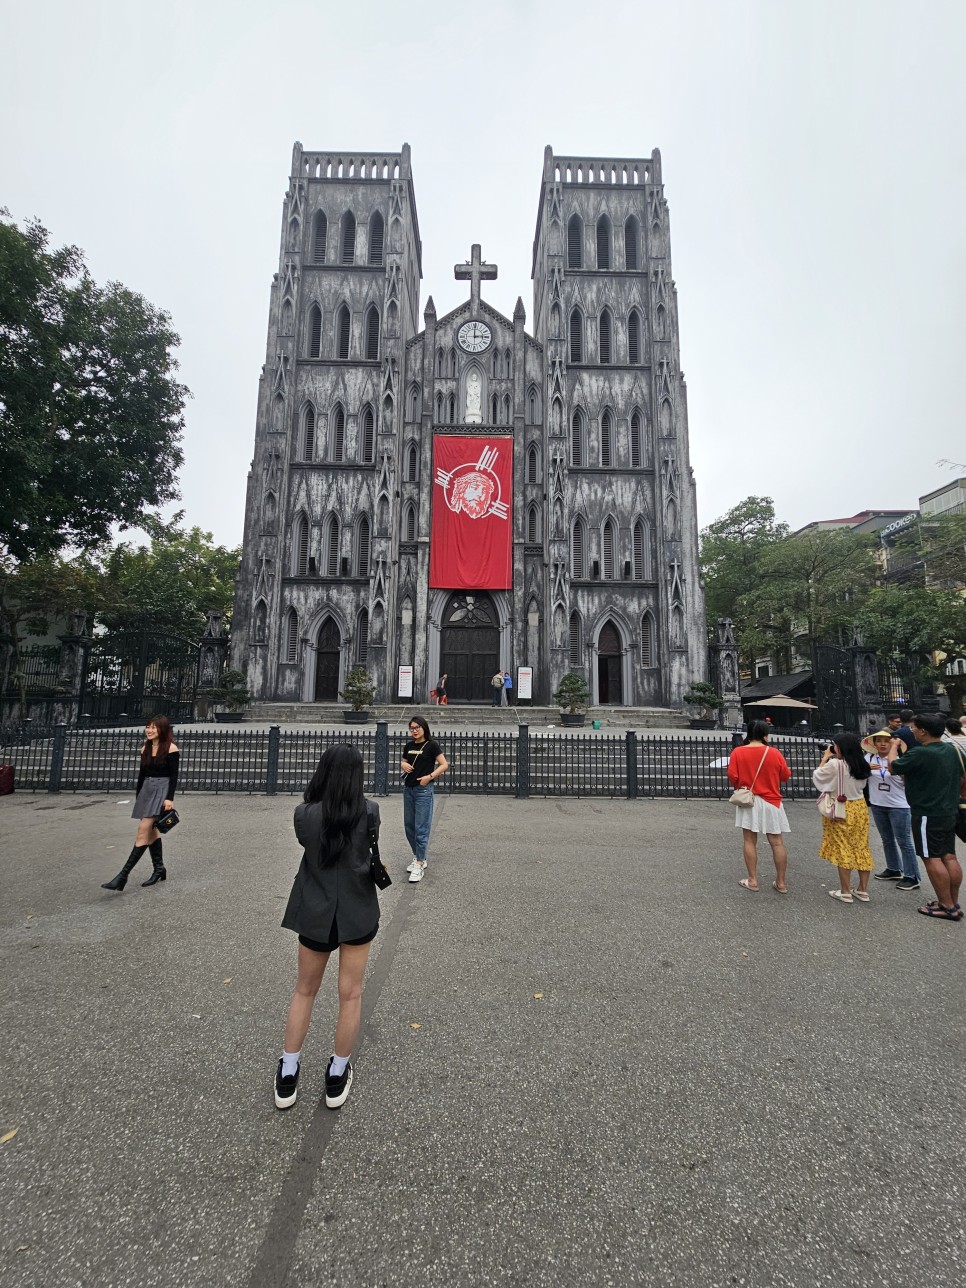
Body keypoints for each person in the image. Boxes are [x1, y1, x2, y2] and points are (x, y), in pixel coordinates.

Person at [274, 745, 382, 1112]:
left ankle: (288, 1071)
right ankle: (337, 1073)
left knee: (304, 991)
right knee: (350, 995)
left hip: (316, 910)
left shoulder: (304, 814)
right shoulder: (369, 811)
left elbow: (309, 843)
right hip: (357, 910)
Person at [888, 713, 964, 921]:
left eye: (914, 728)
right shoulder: (952, 749)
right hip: (949, 809)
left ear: (923, 731)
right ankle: (951, 901)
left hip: (926, 812)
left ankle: (946, 906)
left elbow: (893, 767)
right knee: (949, 855)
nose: (911, 731)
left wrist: (894, 747)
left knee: (932, 857)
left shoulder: (921, 752)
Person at [101, 715, 179, 891]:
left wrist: (169, 798)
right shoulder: (145, 747)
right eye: (148, 727)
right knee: (151, 831)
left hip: (161, 790)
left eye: (154, 727)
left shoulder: (171, 749)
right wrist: (139, 797)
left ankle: (122, 877)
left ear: (162, 730)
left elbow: (174, 776)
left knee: (143, 831)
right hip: (147, 789)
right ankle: (159, 869)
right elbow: (142, 775)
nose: (149, 730)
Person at [727, 720, 792, 893]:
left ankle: (753, 880)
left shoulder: (738, 752)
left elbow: (733, 776)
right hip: (772, 801)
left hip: (749, 800)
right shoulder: (774, 753)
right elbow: (785, 775)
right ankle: (781, 882)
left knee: (749, 840)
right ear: (765, 735)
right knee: (777, 843)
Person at [814, 733, 873, 903]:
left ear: (840, 747)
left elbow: (819, 778)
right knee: (861, 846)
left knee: (843, 846)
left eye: (835, 745)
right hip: (859, 807)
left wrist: (825, 757)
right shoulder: (862, 764)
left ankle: (845, 891)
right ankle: (862, 889)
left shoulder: (835, 764)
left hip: (842, 807)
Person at [863, 731, 921, 890]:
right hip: (877, 803)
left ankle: (912, 876)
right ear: (873, 744)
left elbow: (909, 780)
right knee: (886, 838)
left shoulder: (900, 760)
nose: (882, 744)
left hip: (899, 805)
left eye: (886, 741)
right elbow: (857, 775)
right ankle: (894, 868)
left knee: (904, 840)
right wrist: (865, 769)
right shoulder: (868, 759)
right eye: (879, 741)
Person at [401, 716, 448, 883]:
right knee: (409, 826)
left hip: (423, 790)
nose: (414, 730)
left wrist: (429, 776)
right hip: (409, 788)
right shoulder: (409, 745)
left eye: (417, 727)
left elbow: (444, 764)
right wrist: (403, 765)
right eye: (412, 728)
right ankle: (418, 856)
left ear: (424, 728)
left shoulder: (432, 745)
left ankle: (420, 863)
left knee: (421, 827)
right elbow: (405, 761)